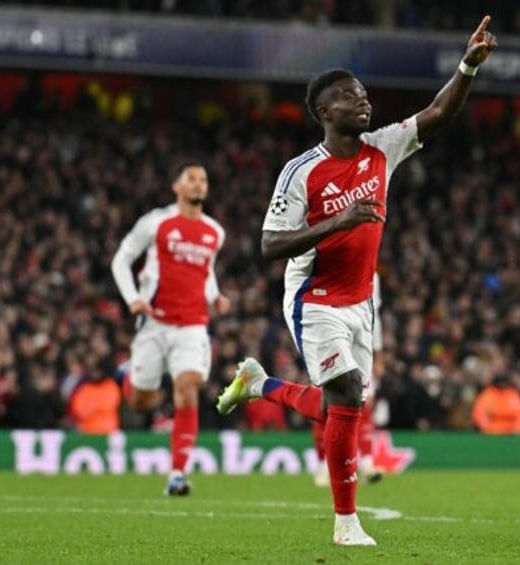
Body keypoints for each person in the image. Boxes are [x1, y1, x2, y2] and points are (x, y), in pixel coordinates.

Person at [217, 15, 497, 546]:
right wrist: (338, 221)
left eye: (364, 93)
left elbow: (437, 115)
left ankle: (259, 385)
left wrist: (467, 67)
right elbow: (269, 245)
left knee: (338, 408)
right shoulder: (301, 172)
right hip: (313, 296)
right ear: (326, 112)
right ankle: (346, 523)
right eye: (349, 96)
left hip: (361, 299)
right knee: (344, 391)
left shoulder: (381, 149)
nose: (363, 101)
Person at [111, 160, 230, 496]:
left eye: (202, 179)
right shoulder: (156, 222)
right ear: (176, 186)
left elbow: (205, 271)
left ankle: (177, 473)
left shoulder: (214, 232)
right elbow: (121, 259)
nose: (197, 184)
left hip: (192, 325)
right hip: (154, 322)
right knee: (141, 402)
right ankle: (128, 376)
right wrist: (133, 298)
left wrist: (215, 296)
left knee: (188, 387)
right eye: (190, 179)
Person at [312, 271, 384, 488]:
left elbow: (373, 315)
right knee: (326, 402)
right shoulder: (325, 263)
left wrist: (378, 352)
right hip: (329, 337)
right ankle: (324, 464)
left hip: (360, 340)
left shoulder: (372, 275)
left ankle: (367, 462)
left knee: (363, 401)